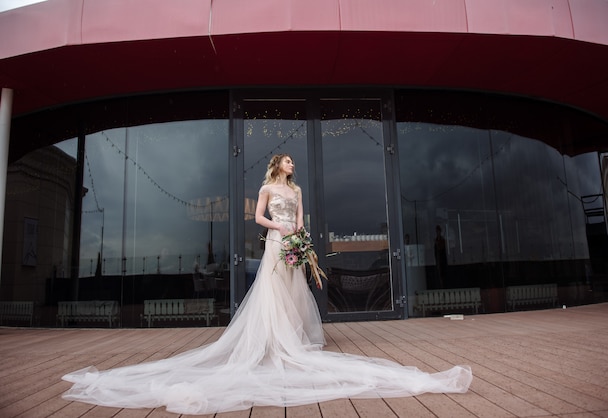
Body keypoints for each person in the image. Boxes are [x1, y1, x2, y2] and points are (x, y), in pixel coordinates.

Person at [61, 154, 472, 415]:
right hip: (276, 240)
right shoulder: (267, 188)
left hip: (294, 242)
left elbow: (302, 217)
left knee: (294, 291)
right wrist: (281, 228)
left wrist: (303, 237)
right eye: (290, 162)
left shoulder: (295, 190)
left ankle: (289, 340)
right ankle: (270, 343)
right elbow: (257, 218)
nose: (294, 166)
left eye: (294, 164)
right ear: (278, 165)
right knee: (271, 289)